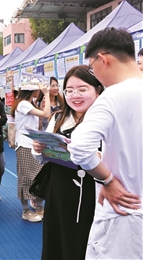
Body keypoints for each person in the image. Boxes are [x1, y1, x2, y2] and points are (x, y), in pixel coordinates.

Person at [67, 27, 142, 259]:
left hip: (125, 211)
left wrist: (106, 179)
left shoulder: (113, 96)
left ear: (102, 59)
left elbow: (79, 148)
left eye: (92, 67)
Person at [32, 65, 104, 260]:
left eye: (82, 89)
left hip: (90, 190)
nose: (75, 95)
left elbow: (114, 158)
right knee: (56, 237)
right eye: (69, 90)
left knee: (83, 239)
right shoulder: (58, 117)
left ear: (98, 89)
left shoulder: (105, 120)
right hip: (58, 187)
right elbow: (43, 157)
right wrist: (39, 149)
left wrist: (84, 153)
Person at [10, 82, 51, 222]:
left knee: (38, 176)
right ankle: (25, 211)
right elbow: (46, 114)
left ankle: (39, 207)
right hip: (24, 145)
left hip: (33, 144)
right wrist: (47, 93)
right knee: (26, 178)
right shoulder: (23, 104)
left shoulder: (29, 104)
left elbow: (39, 123)